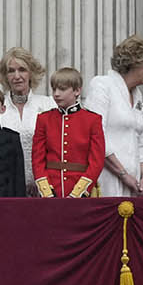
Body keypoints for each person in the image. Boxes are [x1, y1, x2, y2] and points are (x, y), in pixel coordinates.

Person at [86, 35, 143, 198]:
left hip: (133, 185)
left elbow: (140, 140)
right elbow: (96, 135)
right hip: (106, 179)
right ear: (136, 60)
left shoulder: (138, 95)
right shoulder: (102, 85)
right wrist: (123, 174)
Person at [32, 67, 105, 198]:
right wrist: (46, 191)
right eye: (54, 89)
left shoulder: (93, 120)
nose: (56, 94)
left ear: (77, 91)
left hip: (80, 190)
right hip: (51, 189)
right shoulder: (44, 119)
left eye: (62, 89)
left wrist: (79, 192)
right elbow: (37, 159)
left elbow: (96, 161)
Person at [0, 47, 53, 179]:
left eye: (22, 70)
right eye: (11, 71)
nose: (17, 76)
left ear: (31, 73)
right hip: (6, 185)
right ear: (5, 76)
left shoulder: (48, 105)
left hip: (44, 186)